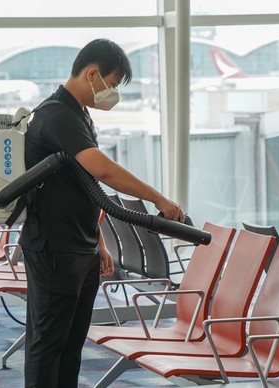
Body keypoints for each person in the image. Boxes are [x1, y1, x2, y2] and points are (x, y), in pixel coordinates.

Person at [19, 38, 185, 388]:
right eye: (110, 84)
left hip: (79, 245)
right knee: (48, 342)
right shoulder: (56, 114)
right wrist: (160, 199)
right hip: (55, 247)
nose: (112, 93)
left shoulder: (77, 114)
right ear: (92, 74)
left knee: (71, 342)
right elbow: (103, 172)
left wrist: (99, 242)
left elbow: (83, 187)